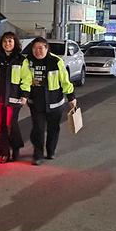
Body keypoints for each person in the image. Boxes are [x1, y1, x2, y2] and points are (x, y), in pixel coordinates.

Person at [25, 37, 77, 166]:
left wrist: (71, 97)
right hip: (36, 102)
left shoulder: (56, 61)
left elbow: (65, 81)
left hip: (55, 102)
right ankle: (38, 154)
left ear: (46, 48)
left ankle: (51, 150)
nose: (38, 51)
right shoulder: (27, 61)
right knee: (38, 129)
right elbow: (24, 79)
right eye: (35, 48)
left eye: (41, 48)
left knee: (53, 128)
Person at [0, 32, 32, 163]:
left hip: (14, 99)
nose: (7, 44)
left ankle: (15, 148)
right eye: (5, 41)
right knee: (0, 126)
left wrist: (24, 95)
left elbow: (26, 79)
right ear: (1, 43)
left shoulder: (21, 60)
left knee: (11, 124)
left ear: (15, 43)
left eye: (10, 41)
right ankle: (4, 153)